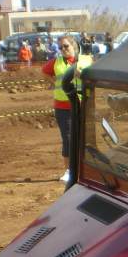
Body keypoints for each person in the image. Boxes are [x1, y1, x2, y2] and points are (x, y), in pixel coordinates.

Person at [42, 35, 92, 183]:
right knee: (68, 139)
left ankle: (85, 170)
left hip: (82, 105)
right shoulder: (56, 63)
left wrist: (82, 76)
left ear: (74, 46)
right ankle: (69, 171)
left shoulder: (85, 61)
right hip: (63, 107)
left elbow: (94, 78)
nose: (63, 49)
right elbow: (44, 72)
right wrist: (54, 82)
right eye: (60, 47)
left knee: (84, 138)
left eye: (66, 46)